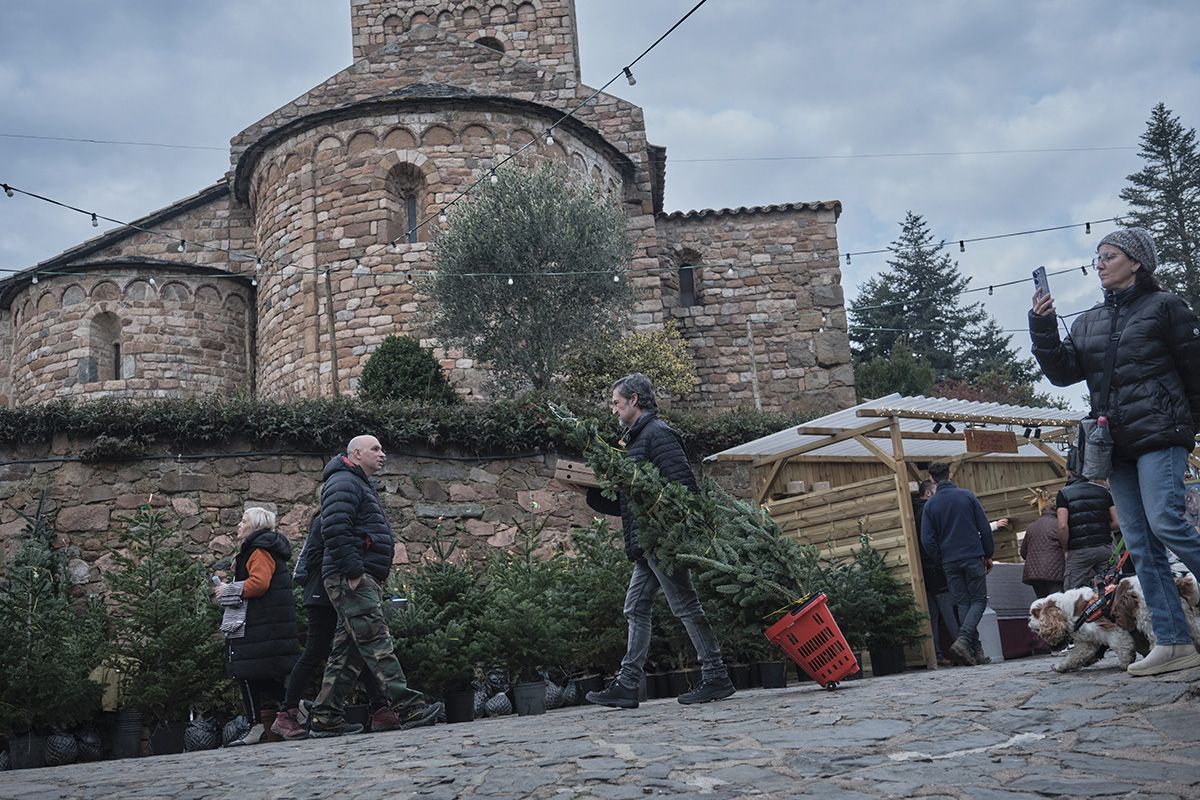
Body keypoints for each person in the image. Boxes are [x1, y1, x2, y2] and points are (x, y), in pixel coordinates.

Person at [1030, 226, 1200, 676]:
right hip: (1116, 447)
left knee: (1166, 522)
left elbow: (1194, 371)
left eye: (1109, 255)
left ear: (1137, 261)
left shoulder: (1166, 308)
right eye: (1097, 257)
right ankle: (1173, 640)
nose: (1100, 263)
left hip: (1162, 434)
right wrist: (1043, 326)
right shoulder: (1089, 321)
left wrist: (1190, 427)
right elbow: (1063, 372)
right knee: (1140, 543)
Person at [583, 373, 735, 708]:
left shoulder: (658, 435)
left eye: (616, 403)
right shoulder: (635, 439)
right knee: (635, 607)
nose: (614, 411)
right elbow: (635, 499)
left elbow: (684, 489)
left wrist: (673, 538)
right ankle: (627, 684)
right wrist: (593, 496)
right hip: (647, 543)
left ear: (634, 400)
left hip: (663, 542)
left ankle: (716, 675)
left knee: (685, 606)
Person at [305, 435, 442, 736]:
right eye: (375, 449)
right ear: (356, 454)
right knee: (376, 641)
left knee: (349, 650)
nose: (383, 454)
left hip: (359, 575)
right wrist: (354, 571)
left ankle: (325, 717)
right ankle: (409, 707)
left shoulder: (356, 483)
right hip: (352, 577)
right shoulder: (344, 482)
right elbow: (334, 529)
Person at [270, 513, 391, 740]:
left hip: (330, 592)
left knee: (357, 646)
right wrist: (344, 557)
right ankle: (287, 713)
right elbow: (314, 554)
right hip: (322, 594)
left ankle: (379, 708)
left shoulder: (338, 517)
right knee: (316, 651)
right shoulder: (327, 518)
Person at [215, 506, 300, 746]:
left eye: (243, 521)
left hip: (259, 622)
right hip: (266, 622)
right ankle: (294, 707)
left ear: (254, 526)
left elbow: (259, 584)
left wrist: (229, 589)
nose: (238, 526)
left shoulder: (259, 550)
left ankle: (262, 723)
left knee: (245, 672)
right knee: (251, 673)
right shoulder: (262, 548)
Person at [919, 462, 994, 667]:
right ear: (950, 474)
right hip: (972, 556)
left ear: (932, 479)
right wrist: (988, 554)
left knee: (963, 604)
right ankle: (964, 640)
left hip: (949, 561)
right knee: (978, 601)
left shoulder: (930, 506)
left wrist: (941, 557)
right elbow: (984, 529)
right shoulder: (967, 496)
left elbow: (927, 540)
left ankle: (976, 652)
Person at [914, 479, 958, 667]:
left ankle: (936, 653)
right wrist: (940, 559)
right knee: (948, 610)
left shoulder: (916, 511)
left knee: (931, 615)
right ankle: (964, 650)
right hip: (934, 568)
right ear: (929, 494)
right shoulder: (927, 511)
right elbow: (931, 540)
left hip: (923, 569)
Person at [1056, 467, 1119, 589]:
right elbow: (1117, 523)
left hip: (1079, 552)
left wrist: (1065, 549)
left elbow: (1062, 526)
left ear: (1069, 473)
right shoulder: (1104, 491)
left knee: (1072, 593)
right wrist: (1101, 529)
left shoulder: (1063, 494)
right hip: (1104, 549)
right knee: (1111, 589)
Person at [1021, 497, 1065, 599]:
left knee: (1042, 604)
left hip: (1034, 573)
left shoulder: (1031, 526)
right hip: (1056, 571)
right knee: (1056, 604)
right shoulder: (1060, 525)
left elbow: (1023, 552)